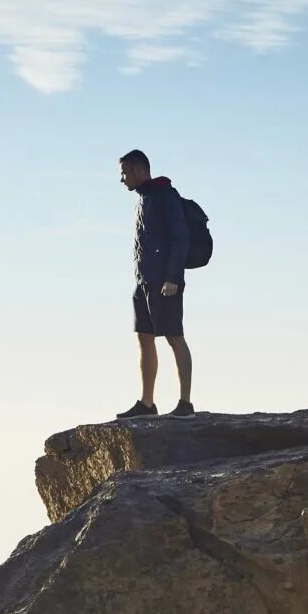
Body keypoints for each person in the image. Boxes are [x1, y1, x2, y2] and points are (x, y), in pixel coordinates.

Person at [116, 149, 195, 418]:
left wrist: (173, 277)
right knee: (145, 337)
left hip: (165, 281)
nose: (123, 179)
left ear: (138, 170)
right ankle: (147, 404)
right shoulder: (144, 198)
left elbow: (180, 238)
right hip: (144, 281)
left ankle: (185, 403)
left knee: (174, 336)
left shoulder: (164, 196)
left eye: (125, 173)